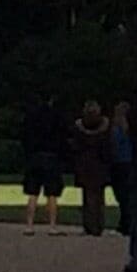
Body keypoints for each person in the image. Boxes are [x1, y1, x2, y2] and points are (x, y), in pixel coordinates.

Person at [21, 95, 67, 234]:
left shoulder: (31, 117)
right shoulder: (56, 117)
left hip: (35, 157)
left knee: (33, 193)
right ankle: (52, 226)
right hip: (52, 157)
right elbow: (63, 137)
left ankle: (29, 225)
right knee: (52, 194)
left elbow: (25, 137)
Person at [72, 100, 110, 236]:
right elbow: (107, 149)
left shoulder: (79, 128)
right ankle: (98, 225)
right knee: (99, 197)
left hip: (84, 165)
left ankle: (88, 225)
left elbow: (75, 147)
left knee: (87, 197)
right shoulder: (104, 128)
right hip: (99, 165)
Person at [107, 101, 134, 236]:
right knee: (127, 196)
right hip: (129, 163)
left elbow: (114, 147)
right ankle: (127, 223)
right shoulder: (131, 130)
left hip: (119, 164)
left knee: (122, 196)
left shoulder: (116, 130)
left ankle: (125, 223)